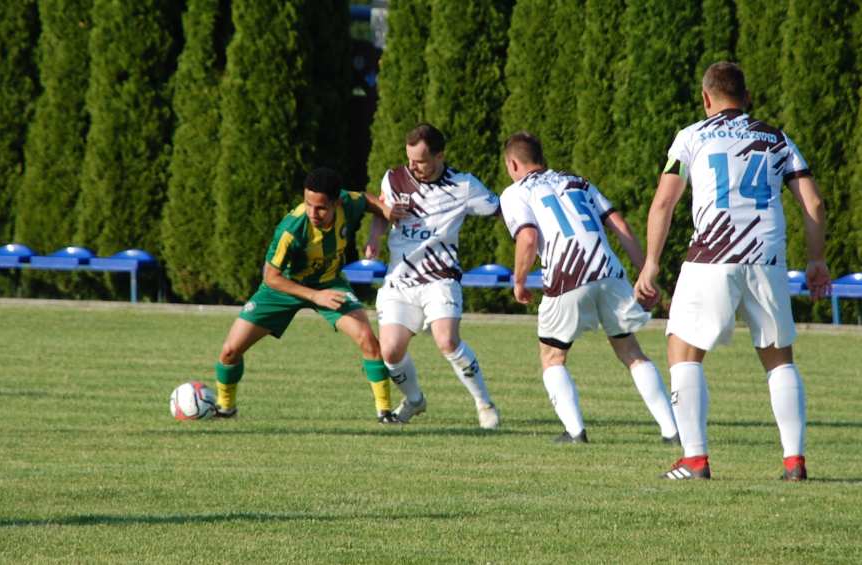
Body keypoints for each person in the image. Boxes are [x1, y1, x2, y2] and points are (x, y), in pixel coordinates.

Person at [634, 62, 831, 480]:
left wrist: (650, 262)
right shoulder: (776, 138)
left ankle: (695, 459)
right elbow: (813, 204)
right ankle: (794, 461)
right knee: (778, 359)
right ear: (746, 96)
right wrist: (816, 260)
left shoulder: (692, 136)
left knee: (682, 350)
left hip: (711, 257)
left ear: (707, 98)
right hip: (767, 258)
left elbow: (663, 203)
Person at [499, 132, 679, 444]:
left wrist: (518, 281)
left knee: (553, 356)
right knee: (631, 351)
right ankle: (671, 431)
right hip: (607, 270)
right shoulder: (577, 181)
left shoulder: (514, 193)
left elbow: (527, 238)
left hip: (566, 274)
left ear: (513, 163)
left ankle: (575, 431)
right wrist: (644, 272)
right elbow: (620, 226)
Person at [212, 167, 407, 424]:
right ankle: (226, 408)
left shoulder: (346, 203)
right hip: (283, 288)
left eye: (321, 208)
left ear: (337, 203)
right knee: (229, 351)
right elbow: (271, 276)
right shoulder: (291, 229)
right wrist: (315, 296)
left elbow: (366, 199)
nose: (313, 213)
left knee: (368, 340)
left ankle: (384, 412)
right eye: (308, 204)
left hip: (330, 283)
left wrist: (385, 211)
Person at [365, 123, 500, 429]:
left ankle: (484, 403)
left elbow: (502, 211)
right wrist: (376, 236)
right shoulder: (394, 178)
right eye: (410, 159)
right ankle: (414, 401)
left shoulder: (463, 186)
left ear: (440, 155)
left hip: (440, 277)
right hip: (399, 280)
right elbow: (381, 213)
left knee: (447, 340)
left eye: (421, 161)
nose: (413, 167)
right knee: (390, 350)